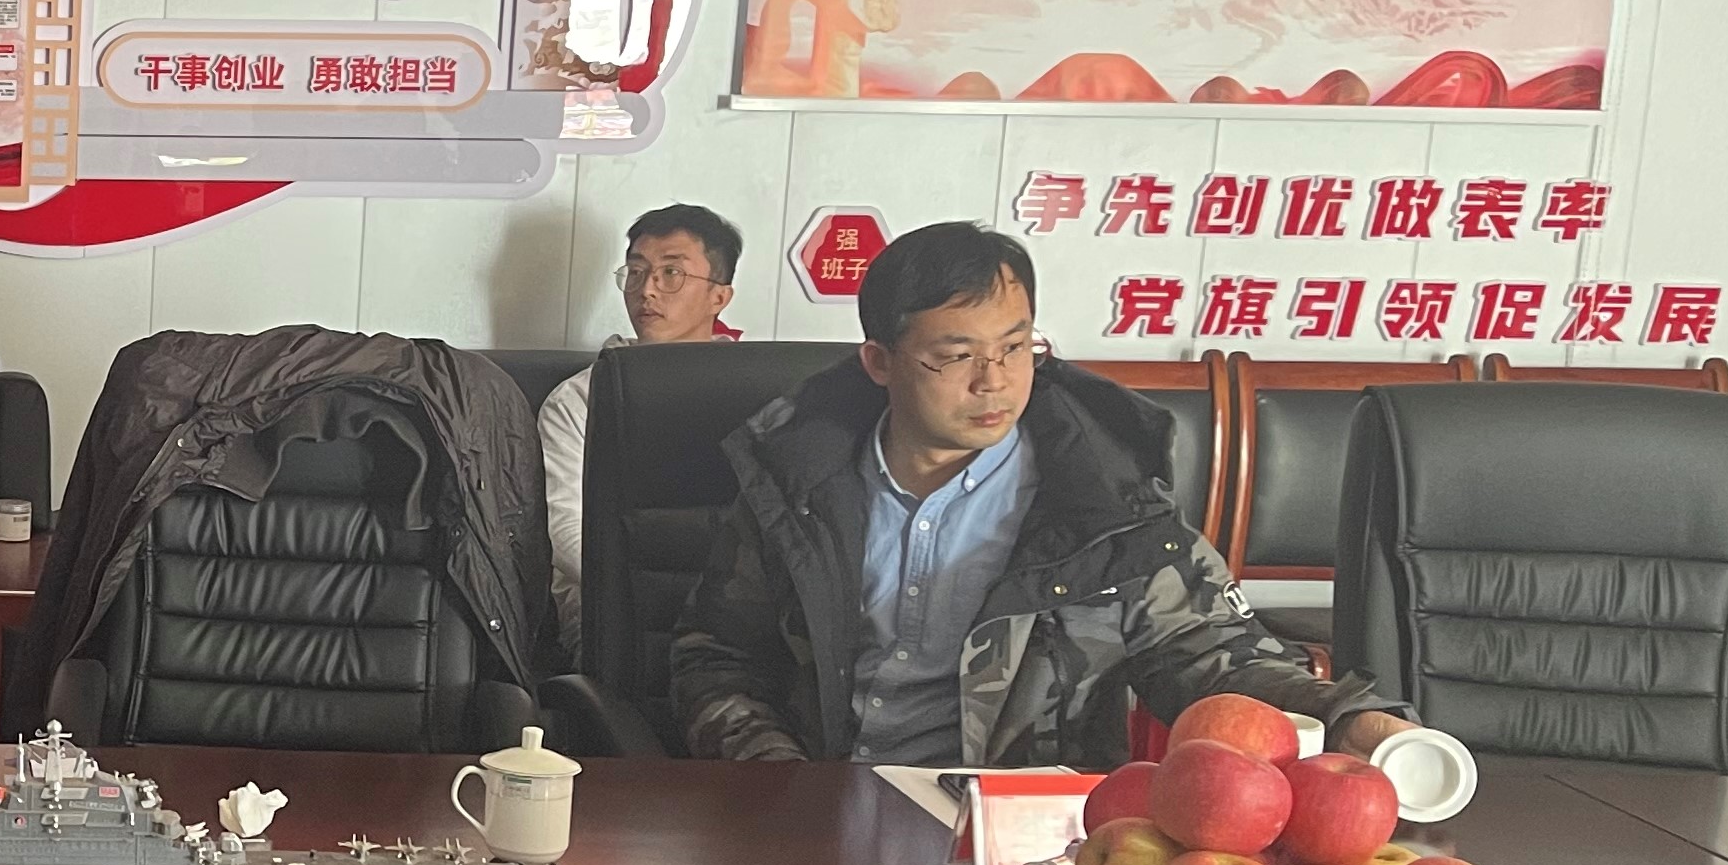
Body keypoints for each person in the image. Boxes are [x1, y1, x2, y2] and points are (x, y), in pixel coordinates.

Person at [672, 220, 1417, 767]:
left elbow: (1210, 653)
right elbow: (715, 655)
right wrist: (780, 780)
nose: (994, 381)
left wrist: (1346, 717)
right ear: (879, 361)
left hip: (1021, 836)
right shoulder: (797, 484)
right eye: (956, 356)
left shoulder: (1102, 500)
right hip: (815, 813)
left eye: (1015, 348)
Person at [539, 201, 741, 660]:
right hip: (614, 610)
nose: (647, 290)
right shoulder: (578, 400)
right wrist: (657, 589)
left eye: (671, 274)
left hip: (734, 610)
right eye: (636, 273)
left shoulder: (755, 393)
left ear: (719, 297)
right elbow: (564, 530)